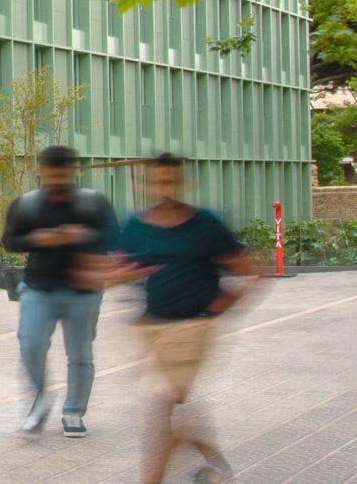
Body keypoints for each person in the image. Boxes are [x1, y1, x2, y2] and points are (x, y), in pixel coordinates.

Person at [93, 153, 259, 484]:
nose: (164, 188)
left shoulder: (205, 224)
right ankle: (216, 466)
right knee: (175, 408)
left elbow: (247, 272)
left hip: (193, 329)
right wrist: (113, 273)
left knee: (161, 403)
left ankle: (151, 479)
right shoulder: (137, 225)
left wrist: (213, 312)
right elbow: (119, 269)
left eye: (170, 181)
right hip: (152, 330)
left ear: (184, 183)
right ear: (145, 184)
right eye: (157, 181)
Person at [1, 143, 118, 437]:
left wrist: (84, 235)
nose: (58, 179)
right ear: (42, 171)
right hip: (39, 287)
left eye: (64, 172)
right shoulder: (27, 204)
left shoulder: (93, 203)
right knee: (30, 344)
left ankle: (74, 411)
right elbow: (10, 241)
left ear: (73, 170)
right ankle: (38, 400)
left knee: (80, 354)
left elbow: (114, 238)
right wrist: (41, 239)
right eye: (52, 172)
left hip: (83, 291)